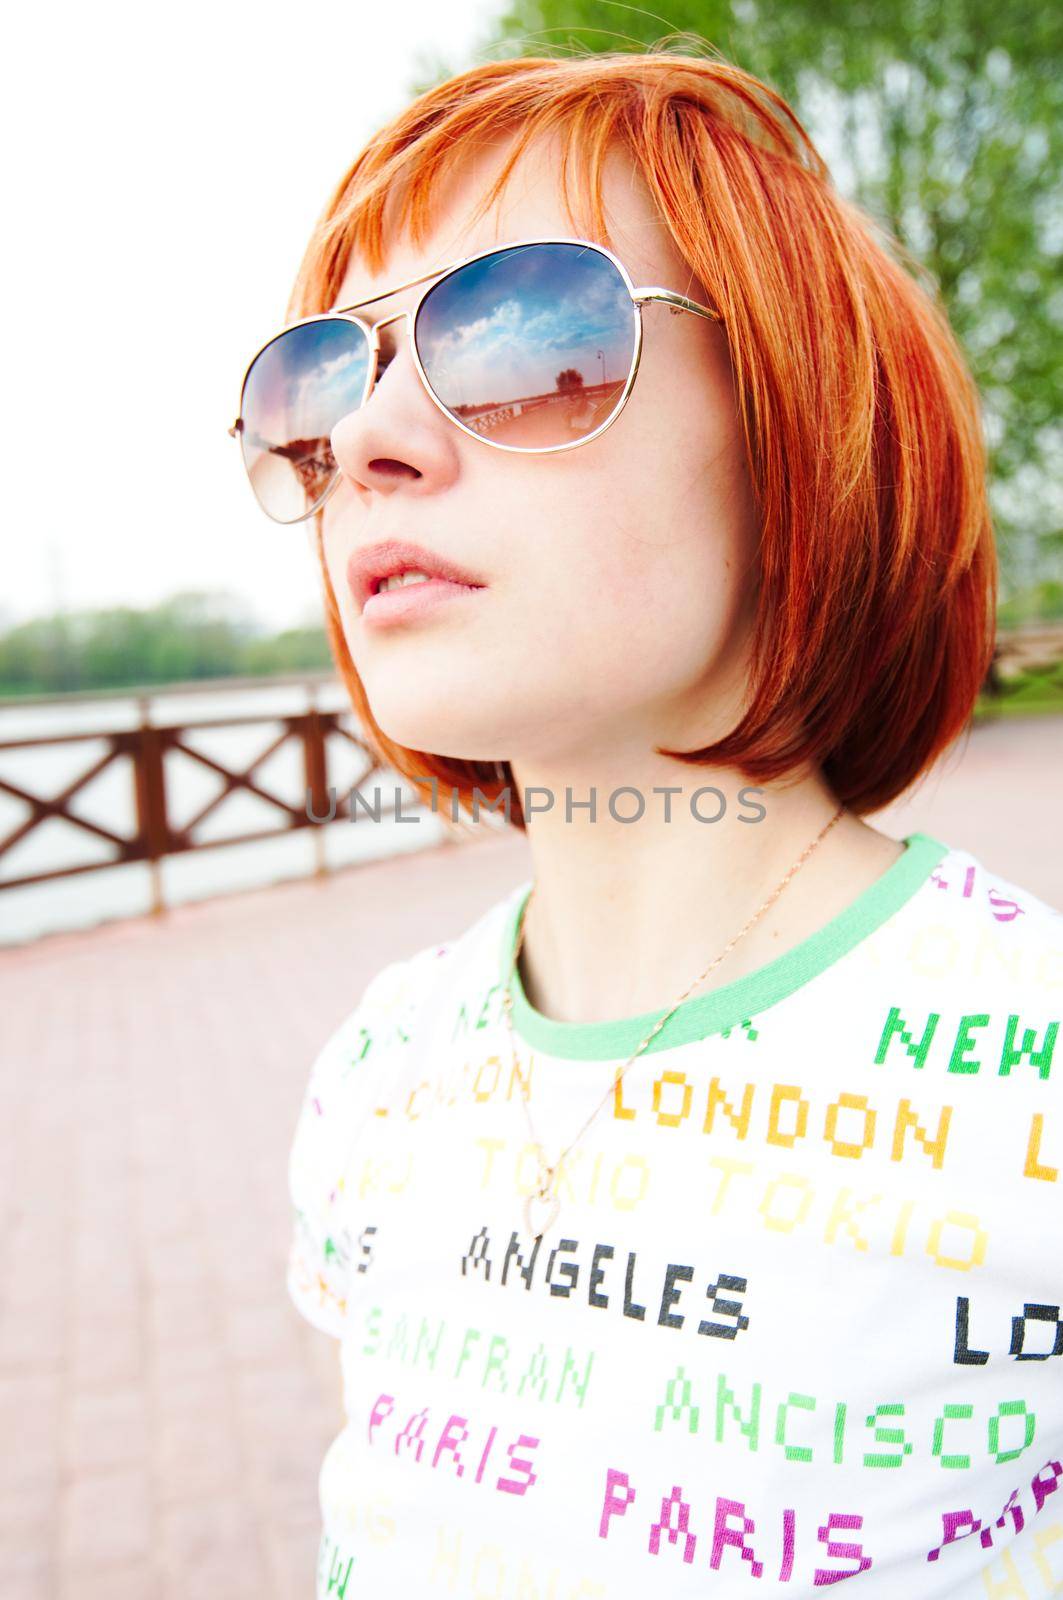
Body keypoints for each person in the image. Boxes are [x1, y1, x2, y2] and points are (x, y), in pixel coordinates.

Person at [230, 48, 1063, 1598]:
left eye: (524, 334)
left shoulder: (1039, 1080)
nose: (367, 442)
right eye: (323, 379)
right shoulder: (377, 1076)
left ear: (799, 437)